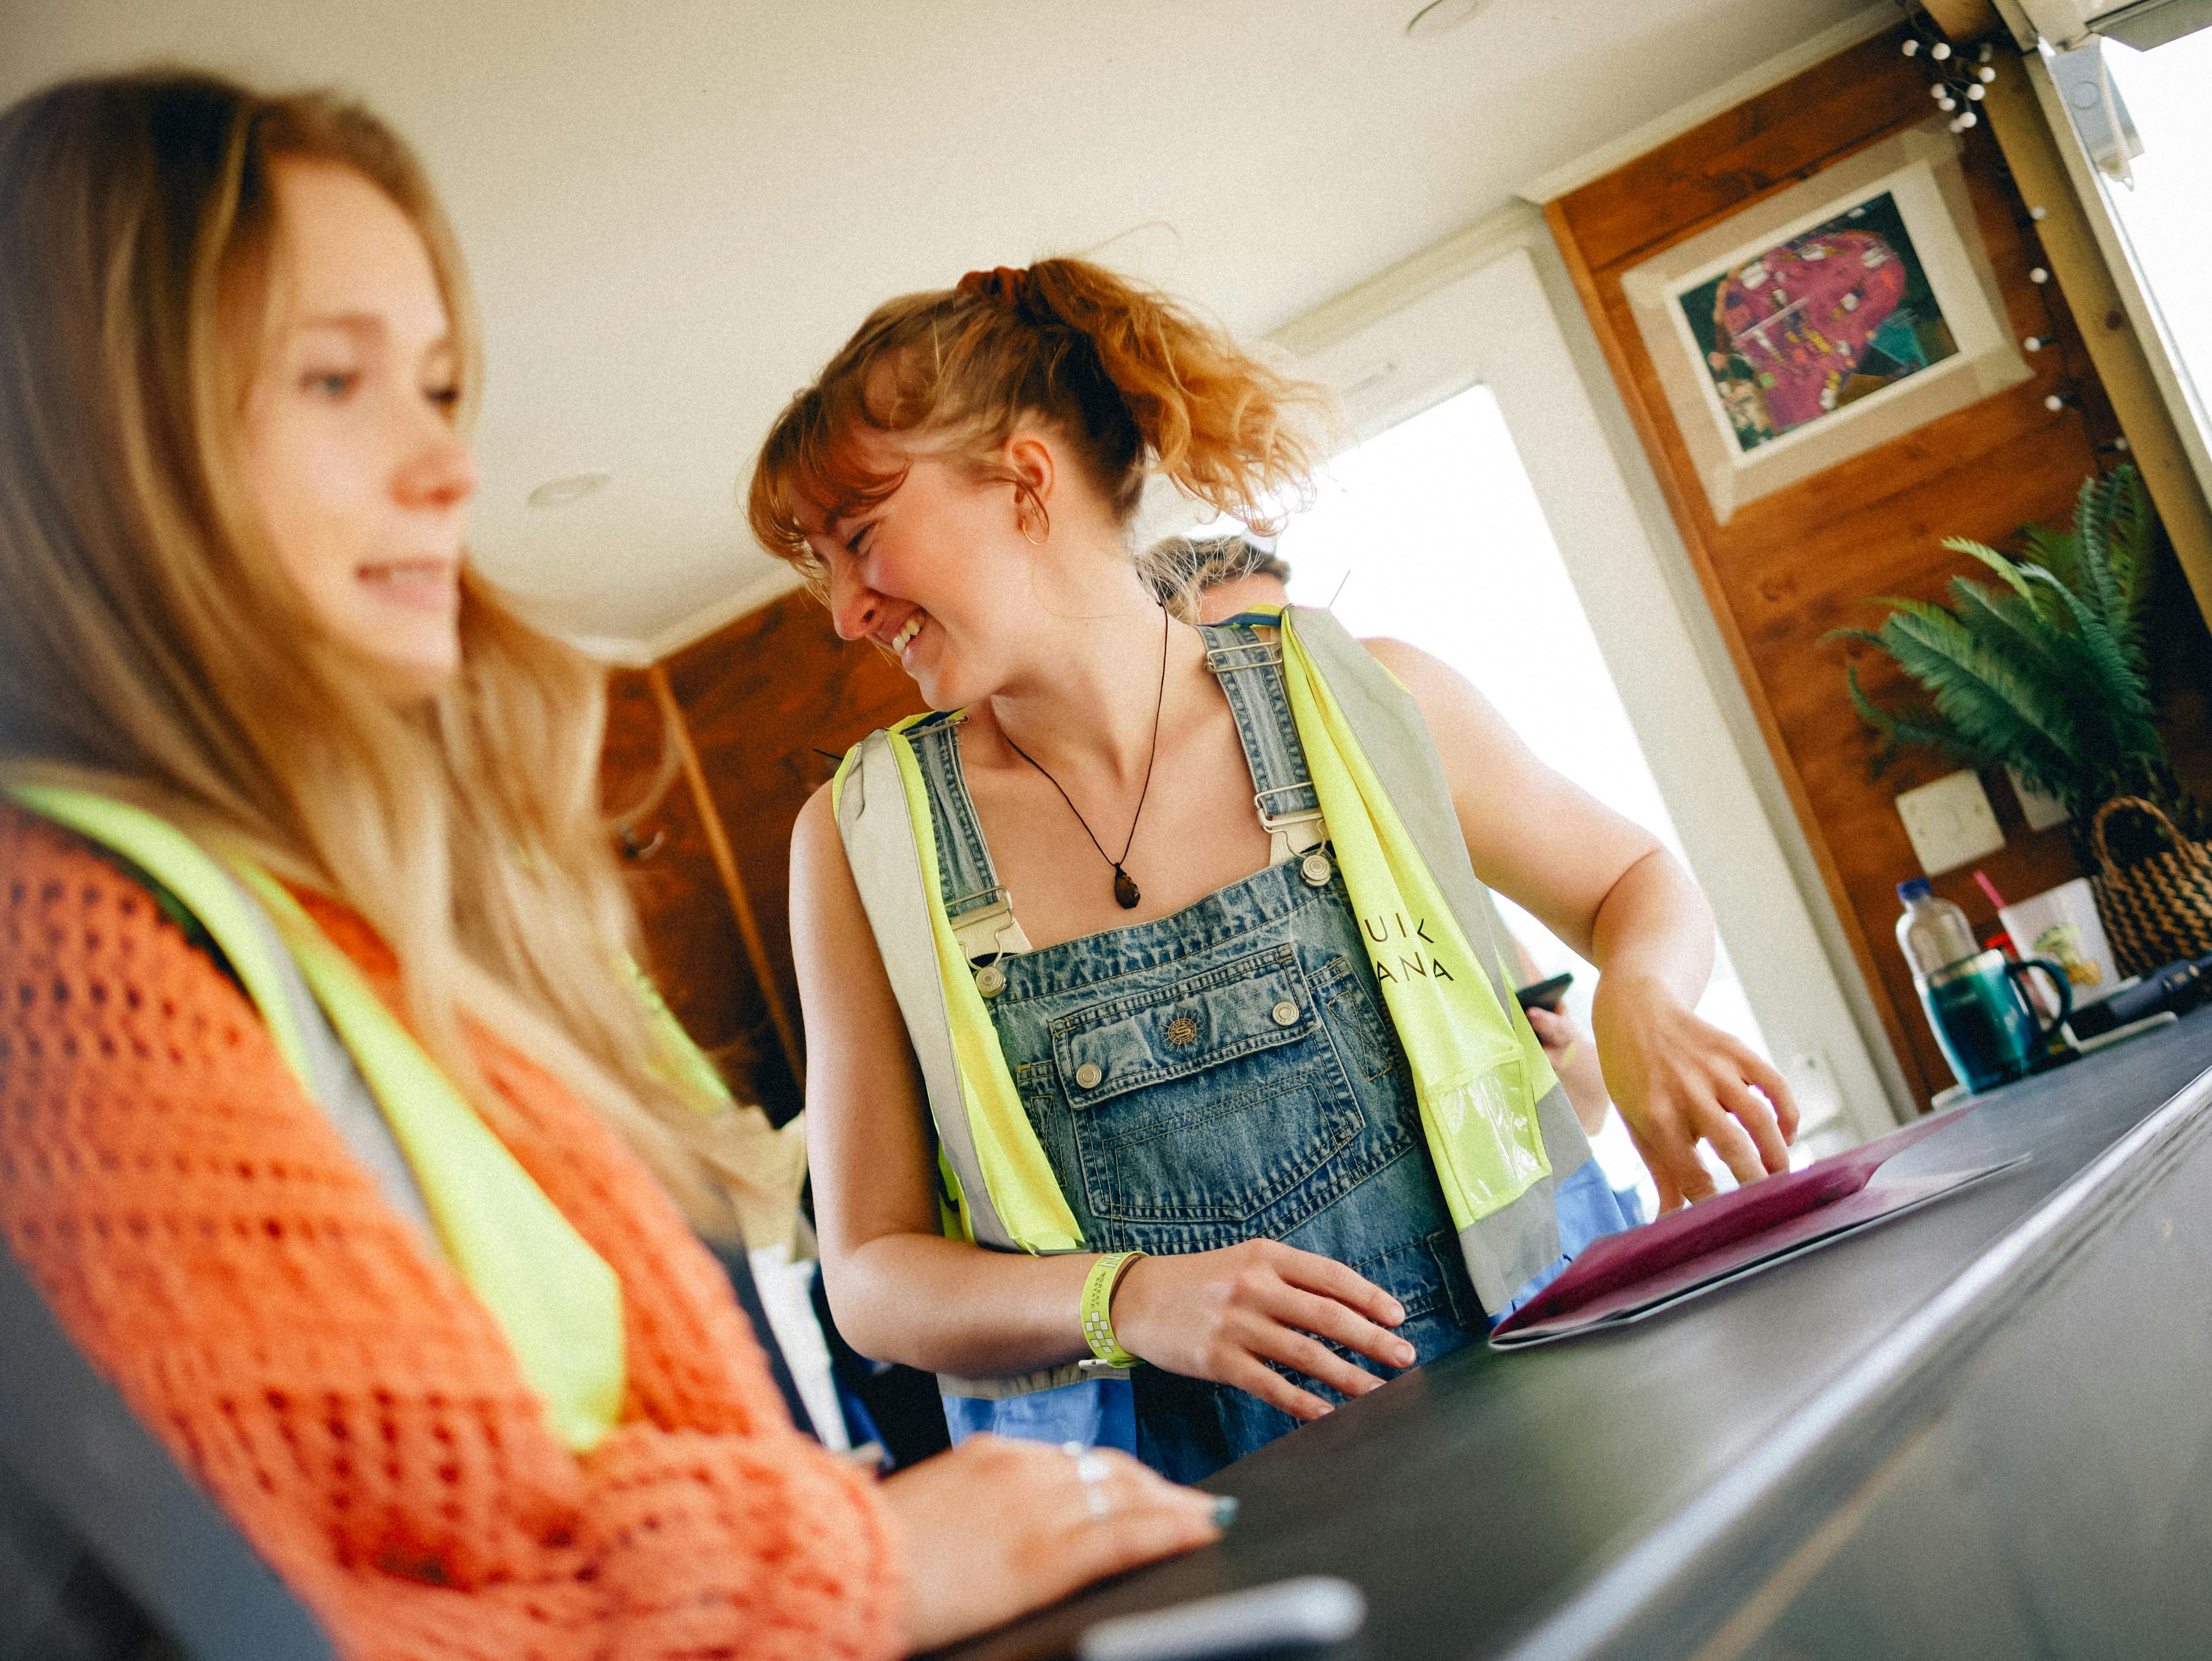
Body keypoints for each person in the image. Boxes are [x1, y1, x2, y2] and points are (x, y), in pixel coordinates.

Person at [0, 73, 1222, 1660]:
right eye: (328, 380)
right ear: (92, 432)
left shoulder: (357, 910)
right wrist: (846, 1562)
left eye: (438, 392)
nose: (448, 469)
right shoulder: (75, 954)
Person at [751, 259, 1798, 1481]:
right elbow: (871, 1274)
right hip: (1179, 1524)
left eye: (861, 538)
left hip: (1564, 1421)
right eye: (819, 561)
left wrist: (1643, 997)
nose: (843, 611)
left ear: (1026, 481)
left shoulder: (1368, 700)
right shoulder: (857, 841)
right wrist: (1125, 1299)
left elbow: (1634, 882)